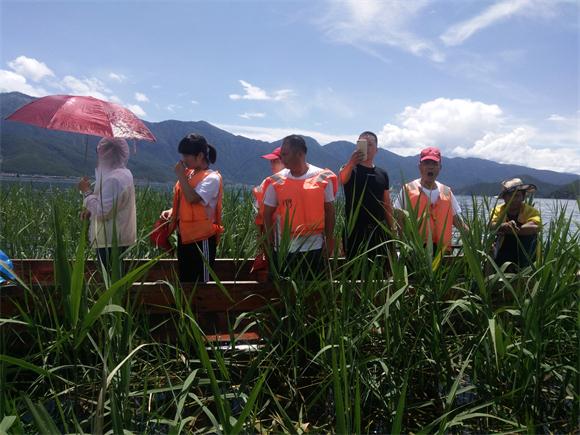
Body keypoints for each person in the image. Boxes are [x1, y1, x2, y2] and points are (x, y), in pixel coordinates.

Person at [263, 135, 337, 280]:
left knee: (313, 291)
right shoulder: (276, 181)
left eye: (285, 154)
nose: (282, 158)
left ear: (300, 154)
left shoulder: (322, 178)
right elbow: (267, 214)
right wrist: (268, 242)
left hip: (314, 248)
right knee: (282, 291)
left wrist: (329, 240)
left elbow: (330, 211)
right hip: (283, 249)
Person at [161, 134, 223, 282]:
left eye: (186, 155)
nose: (183, 159)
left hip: (202, 239)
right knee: (185, 281)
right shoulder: (189, 175)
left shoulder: (212, 178)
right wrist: (172, 212)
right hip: (185, 237)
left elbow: (193, 198)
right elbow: (185, 202)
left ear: (200, 156)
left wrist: (180, 175)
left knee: (202, 283)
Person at [78, 137, 136, 271]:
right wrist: (90, 210)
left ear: (106, 154)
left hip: (110, 240)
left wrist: (86, 192)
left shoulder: (114, 179)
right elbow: (108, 205)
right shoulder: (122, 174)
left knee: (109, 278)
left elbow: (102, 212)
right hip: (115, 239)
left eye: (100, 152)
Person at [394, 146, 467, 252]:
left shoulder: (447, 192)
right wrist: (404, 248)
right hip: (416, 253)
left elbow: (458, 222)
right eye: (426, 163)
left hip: (442, 254)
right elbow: (398, 218)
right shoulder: (407, 190)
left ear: (440, 167)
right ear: (420, 167)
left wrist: (473, 237)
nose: (430, 167)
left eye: (434, 164)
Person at [339, 131, 394, 262]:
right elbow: (340, 180)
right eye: (363, 144)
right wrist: (351, 163)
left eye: (370, 144)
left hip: (378, 231)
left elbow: (387, 204)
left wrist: (392, 229)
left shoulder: (382, 174)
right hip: (354, 231)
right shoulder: (349, 169)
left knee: (379, 268)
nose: (367, 148)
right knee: (354, 268)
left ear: (376, 150)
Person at [491, 178, 541, 268]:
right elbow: (491, 225)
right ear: (504, 197)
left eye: (517, 196)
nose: (513, 199)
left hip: (526, 251)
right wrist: (506, 225)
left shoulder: (531, 211)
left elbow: (534, 227)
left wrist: (510, 229)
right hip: (503, 249)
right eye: (510, 195)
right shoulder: (498, 210)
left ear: (523, 197)